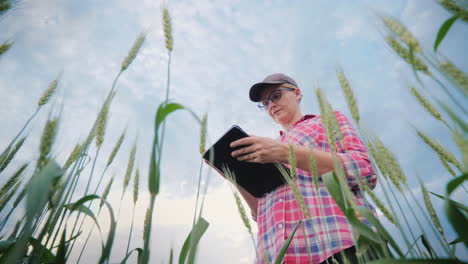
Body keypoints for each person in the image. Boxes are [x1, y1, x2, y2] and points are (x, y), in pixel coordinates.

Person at [230, 73, 378, 264]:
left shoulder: (325, 122)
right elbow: (262, 214)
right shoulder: (264, 151)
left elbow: (364, 171)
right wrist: (235, 175)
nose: (271, 105)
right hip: (278, 257)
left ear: (297, 93)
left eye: (275, 96)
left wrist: (284, 152)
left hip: (338, 245)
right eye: (265, 103)